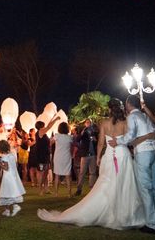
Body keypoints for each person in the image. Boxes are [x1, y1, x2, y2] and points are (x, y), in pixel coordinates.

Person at [38, 98, 145, 230]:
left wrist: (99, 157)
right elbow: (130, 140)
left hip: (110, 156)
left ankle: (110, 211)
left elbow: (100, 143)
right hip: (123, 155)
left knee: (108, 184)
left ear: (110, 109)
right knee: (124, 184)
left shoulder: (104, 123)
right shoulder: (125, 122)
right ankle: (124, 213)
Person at [109, 95, 155, 233]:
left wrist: (118, 141)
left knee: (145, 187)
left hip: (144, 152)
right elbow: (153, 133)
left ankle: (151, 224)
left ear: (128, 104)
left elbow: (130, 135)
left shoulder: (132, 117)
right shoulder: (146, 116)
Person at [0, 140, 26, 217]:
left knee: (6, 192)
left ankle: (13, 207)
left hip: (7, 177)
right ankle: (7, 210)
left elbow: (6, 168)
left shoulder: (5, 157)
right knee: (10, 192)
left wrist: (0, 163)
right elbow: (14, 166)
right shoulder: (12, 155)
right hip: (13, 176)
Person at [34, 115, 59, 195]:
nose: (45, 127)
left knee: (46, 172)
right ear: (41, 127)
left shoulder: (44, 134)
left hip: (46, 155)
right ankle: (40, 190)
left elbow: (49, 143)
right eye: (43, 126)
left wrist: (54, 139)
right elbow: (49, 126)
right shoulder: (40, 132)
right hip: (41, 156)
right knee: (41, 172)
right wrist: (55, 119)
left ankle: (46, 188)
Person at [74, 119, 99, 196]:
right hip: (84, 155)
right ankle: (79, 189)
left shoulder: (94, 132)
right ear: (85, 124)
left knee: (92, 173)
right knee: (82, 173)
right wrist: (81, 133)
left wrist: (95, 140)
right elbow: (77, 140)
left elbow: (98, 142)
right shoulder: (83, 131)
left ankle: (92, 189)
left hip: (93, 155)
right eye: (87, 122)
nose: (88, 124)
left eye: (89, 122)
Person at [52, 122, 73, 197]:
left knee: (57, 175)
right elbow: (71, 146)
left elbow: (50, 142)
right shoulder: (70, 137)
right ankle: (69, 193)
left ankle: (56, 193)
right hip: (67, 157)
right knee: (68, 176)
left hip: (58, 157)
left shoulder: (57, 136)